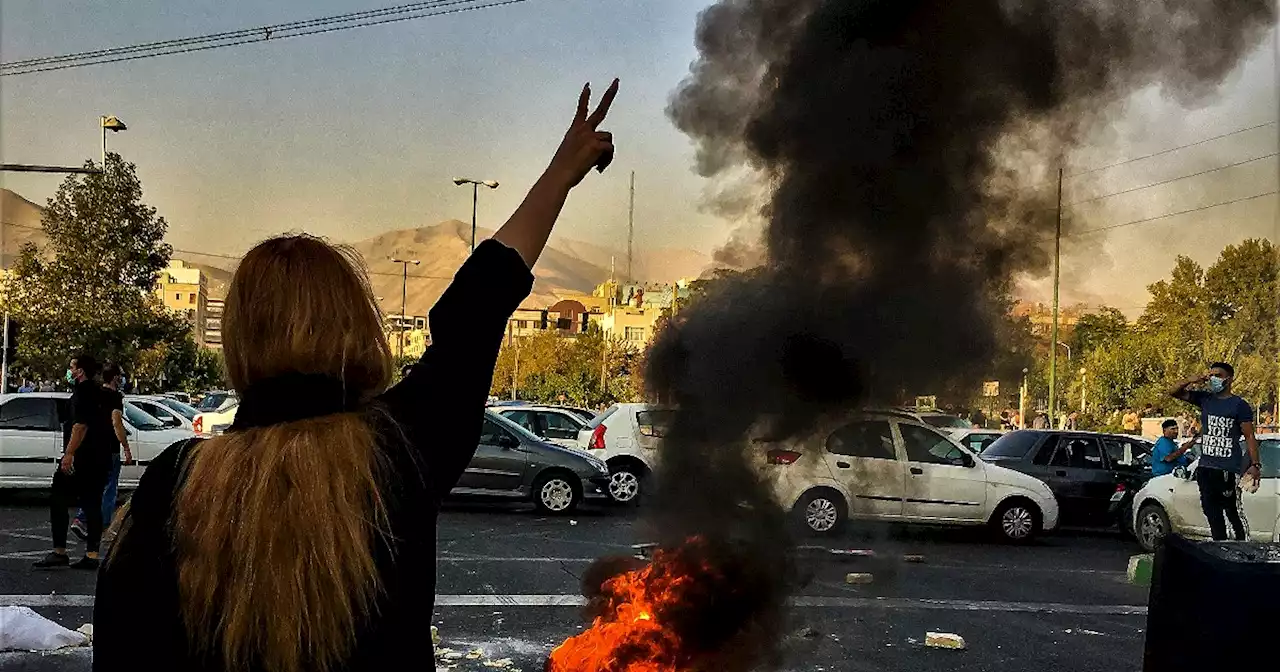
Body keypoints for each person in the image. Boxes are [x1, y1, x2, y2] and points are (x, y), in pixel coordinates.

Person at [94, 80, 618, 672]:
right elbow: (477, 305)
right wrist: (559, 175)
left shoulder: (175, 485)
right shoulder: (399, 450)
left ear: (239, 340)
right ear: (354, 324)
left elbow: (121, 646)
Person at [33, 354, 114, 570]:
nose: (69, 370)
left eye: (72, 367)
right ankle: (92, 554)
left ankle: (59, 551)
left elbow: (81, 426)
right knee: (92, 504)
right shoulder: (101, 393)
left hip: (83, 458)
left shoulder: (82, 393)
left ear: (80, 371)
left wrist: (69, 453)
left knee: (58, 497)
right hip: (100, 457)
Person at [1170, 362, 1261, 541]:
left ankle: (1242, 548)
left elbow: (1250, 436)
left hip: (1227, 469)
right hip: (1206, 467)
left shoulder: (1239, 405)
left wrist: (1255, 464)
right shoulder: (1205, 399)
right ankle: (1220, 546)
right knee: (1211, 511)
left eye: (1217, 375)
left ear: (1229, 379)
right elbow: (1173, 392)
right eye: (1210, 375)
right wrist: (1192, 379)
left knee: (1232, 511)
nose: (1213, 379)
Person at [71, 363, 134, 542]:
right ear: (114, 377)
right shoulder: (114, 397)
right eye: (120, 375)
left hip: (93, 445)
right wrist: (126, 447)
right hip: (109, 447)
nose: (122, 378)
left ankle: (82, 518)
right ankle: (102, 526)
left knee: (94, 486)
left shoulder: (96, 393)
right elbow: (116, 422)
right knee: (109, 487)